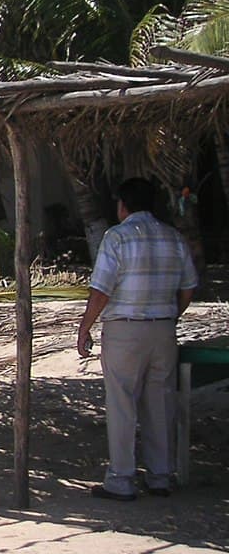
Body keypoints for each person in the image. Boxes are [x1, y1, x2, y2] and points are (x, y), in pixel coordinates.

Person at [76, 178, 197, 501]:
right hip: (163, 328)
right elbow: (188, 287)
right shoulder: (173, 237)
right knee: (160, 403)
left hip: (125, 329)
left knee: (122, 403)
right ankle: (160, 476)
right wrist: (171, 314)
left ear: (123, 205)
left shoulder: (117, 237)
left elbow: (102, 289)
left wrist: (85, 326)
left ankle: (121, 478)